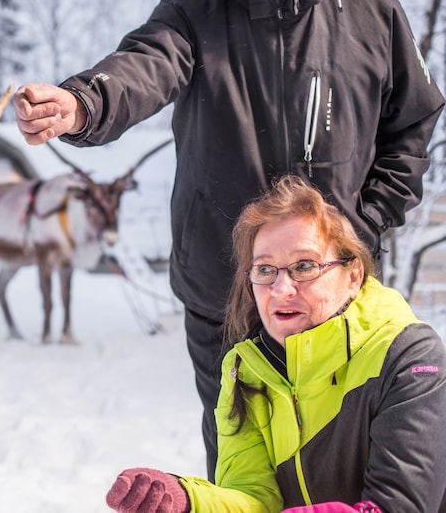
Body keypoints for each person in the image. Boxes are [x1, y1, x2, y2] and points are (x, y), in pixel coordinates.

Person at [13, 0, 444, 476]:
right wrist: (80, 104)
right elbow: (142, 67)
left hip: (335, 297)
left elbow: (411, 125)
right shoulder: (194, 12)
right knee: (245, 472)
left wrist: (364, 227)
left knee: (342, 470)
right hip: (228, 297)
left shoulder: (374, 15)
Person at [104, 175, 446, 513]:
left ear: (353, 275)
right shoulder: (247, 370)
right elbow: (253, 498)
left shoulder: (408, 356)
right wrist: (186, 501)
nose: (281, 289)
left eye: (305, 266)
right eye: (265, 270)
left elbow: (400, 505)